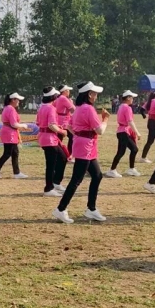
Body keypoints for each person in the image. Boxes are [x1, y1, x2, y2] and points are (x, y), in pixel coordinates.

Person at [52, 82, 109, 224]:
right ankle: (61, 209)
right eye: (94, 93)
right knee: (76, 179)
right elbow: (100, 130)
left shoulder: (79, 108)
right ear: (89, 94)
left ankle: (91, 208)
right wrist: (105, 120)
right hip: (86, 147)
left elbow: (69, 126)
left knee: (97, 175)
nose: (96, 96)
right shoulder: (88, 109)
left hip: (84, 145)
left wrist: (79, 134)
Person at [36, 86, 67, 196]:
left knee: (62, 158)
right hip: (49, 139)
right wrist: (61, 131)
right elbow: (51, 125)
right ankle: (49, 188)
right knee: (51, 164)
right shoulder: (51, 108)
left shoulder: (41, 108)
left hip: (45, 137)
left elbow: (38, 123)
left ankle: (55, 182)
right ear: (54, 97)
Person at [0, 93, 30, 179]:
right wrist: (23, 125)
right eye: (17, 99)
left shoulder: (7, 108)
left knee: (15, 152)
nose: (19, 101)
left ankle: (17, 172)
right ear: (13, 100)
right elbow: (14, 124)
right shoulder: (11, 109)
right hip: (10, 133)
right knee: (7, 153)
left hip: (9, 132)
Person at [105, 91, 142, 178]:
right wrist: (137, 132)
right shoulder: (127, 108)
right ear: (128, 98)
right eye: (132, 98)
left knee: (127, 151)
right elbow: (130, 121)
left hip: (121, 131)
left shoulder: (121, 106)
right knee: (130, 150)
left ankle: (127, 169)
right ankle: (115, 170)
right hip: (124, 132)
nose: (133, 99)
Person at [140, 89, 155, 163]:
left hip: (152, 122)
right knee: (152, 141)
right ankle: (144, 157)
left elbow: (142, 109)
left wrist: (144, 115)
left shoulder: (150, 101)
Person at [53, 85, 75, 158]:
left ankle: (58, 153)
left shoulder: (58, 98)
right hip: (64, 121)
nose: (69, 92)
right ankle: (69, 154)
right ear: (64, 91)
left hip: (59, 119)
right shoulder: (64, 98)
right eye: (68, 90)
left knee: (59, 138)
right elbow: (73, 109)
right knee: (72, 136)